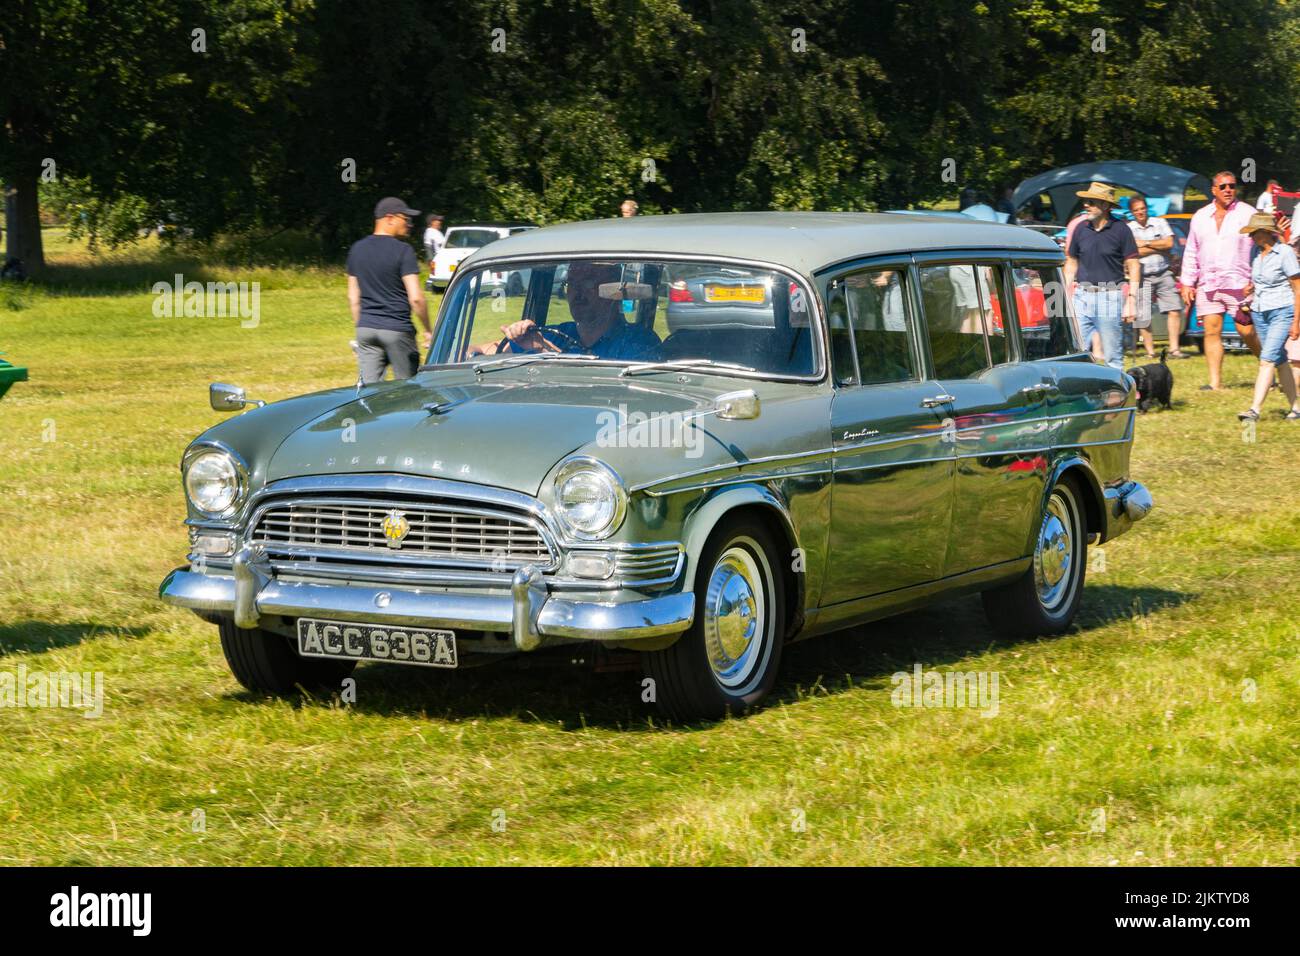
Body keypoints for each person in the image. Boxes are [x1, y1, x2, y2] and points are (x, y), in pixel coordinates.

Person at [478, 261, 661, 361]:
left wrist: (542, 348)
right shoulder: (557, 334)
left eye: (588, 282)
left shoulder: (638, 341)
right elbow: (481, 350)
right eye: (571, 283)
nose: (577, 291)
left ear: (612, 290)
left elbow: (602, 387)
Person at [1179, 171, 1260, 390]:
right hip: (1209, 284)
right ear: (1214, 190)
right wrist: (1187, 282)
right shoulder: (1201, 216)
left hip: (1239, 283)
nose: (1228, 190)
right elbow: (1191, 250)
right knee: (1211, 331)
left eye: (1232, 186)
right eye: (1223, 186)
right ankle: (1215, 382)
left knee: (1247, 331)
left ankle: (1267, 366)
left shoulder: (1247, 213)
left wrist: (1256, 278)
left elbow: (1262, 244)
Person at [346, 197, 432, 383]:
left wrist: (361, 327)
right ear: (390, 218)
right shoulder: (403, 251)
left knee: (369, 394)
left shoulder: (356, 249)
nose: (409, 224)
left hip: (366, 331)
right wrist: (428, 330)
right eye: (405, 219)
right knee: (408, 389)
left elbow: (353, 297)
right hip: (397, 329)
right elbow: (416, 298)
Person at [1064, 182, 1140, 369]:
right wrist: (1064, 294)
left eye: (1091, 202)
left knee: (1112, 357)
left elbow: (1134, 265)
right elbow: (1071, 262)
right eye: (1085, 201)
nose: (1085, 205)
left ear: (1105, 206)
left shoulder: (1121, 230)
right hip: (1081, 296)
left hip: (1110, 297)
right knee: (1075, 353)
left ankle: (1120, 396)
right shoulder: (1081, 229)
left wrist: (1132, 300)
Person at [1236, 211, 1300, 421]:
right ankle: (1296, 408)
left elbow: (1298, 288)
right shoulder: (1257, 254)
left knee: (1267, 359)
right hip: (1260, 312)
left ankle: (1254, 409)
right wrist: (1251, 288)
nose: (1250, 237)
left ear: (1266, 232)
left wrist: (1296, 322)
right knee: (1280, 360)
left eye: (1254, 233)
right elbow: (1262, 281)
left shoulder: (1285, 253)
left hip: (1282, 311)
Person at [1127, 195, 1186, 359]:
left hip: (1163, 271)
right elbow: (1133, 251)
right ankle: (1150, 351)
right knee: (1142, 315)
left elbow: (1168, 244)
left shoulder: (1160, 222)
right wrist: (1158, 246)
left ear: (1146, 208)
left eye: (1142, 208)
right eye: (1136, 210)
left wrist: (1145, 243)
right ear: (1132, 212)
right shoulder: (1129, 228)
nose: (1140, 212)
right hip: (1141, 276)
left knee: (1174, 309)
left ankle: (1174, 349)